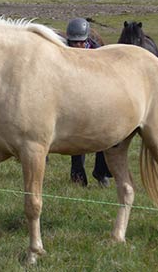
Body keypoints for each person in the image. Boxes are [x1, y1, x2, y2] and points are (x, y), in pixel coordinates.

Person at [66, 17, 113, 187]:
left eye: (80, 42)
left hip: (97, 99)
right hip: (75, 100)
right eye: (73, 42)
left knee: (104, 137)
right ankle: (78, 176)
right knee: (77, 138)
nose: (76, 46)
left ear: (86, 40)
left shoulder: (99, 53)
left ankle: (102, 173)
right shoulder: (63, 51)